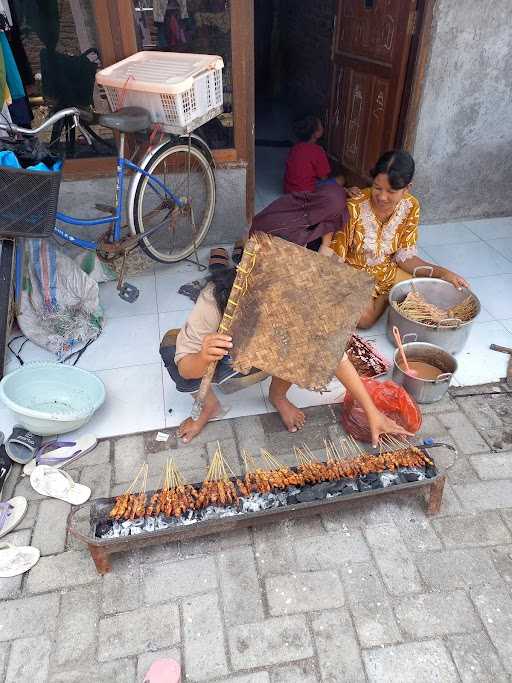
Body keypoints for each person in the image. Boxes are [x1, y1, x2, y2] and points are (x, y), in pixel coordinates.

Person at [161, 267, 410, 445]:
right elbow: (185, 368)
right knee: (171, 350)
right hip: (220, 357)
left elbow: (336, 359)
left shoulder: (295, 308)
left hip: (263, 358)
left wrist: (372, 412)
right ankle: (208, 407)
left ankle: (278, 396)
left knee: (306, 349)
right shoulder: (214, 301)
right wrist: (204, 357)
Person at [330, 150, 468, 329]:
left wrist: (443, 272)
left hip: (389, 271)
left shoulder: (411, 206)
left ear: (407, 188)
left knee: (432, 298)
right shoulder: (355, 206)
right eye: (377, 187)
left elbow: (405, 256)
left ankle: (393, 291)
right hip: (354, 275)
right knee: (364, 320)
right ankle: (391, 296)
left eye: (391, 191)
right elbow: (336, 259)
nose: (382, 197)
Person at [250, 182, 348, 256]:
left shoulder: (302, 201)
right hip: (260, 254)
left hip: (256, 239)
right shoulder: (292, 230)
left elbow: (327, 230)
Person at [283, 115, 332, 194]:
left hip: (289, 191)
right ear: (316, 134)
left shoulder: (294, 148)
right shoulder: (318, 150)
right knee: (341, 179)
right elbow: (324, 178)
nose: (323, 127)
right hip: (306, 193)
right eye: (321, 126)